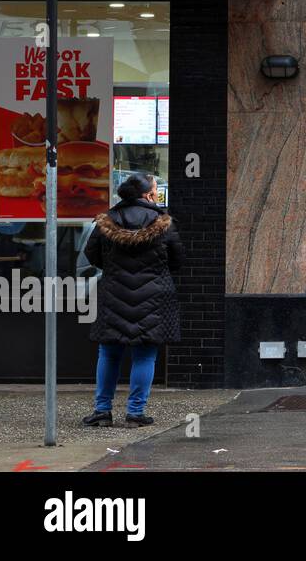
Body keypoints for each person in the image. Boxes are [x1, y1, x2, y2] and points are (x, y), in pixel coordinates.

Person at [81, 174, 183, 428]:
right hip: (154, 296)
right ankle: (135, 413)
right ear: (147, 194)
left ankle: (102, 411)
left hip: (114, 293)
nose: (157, 194)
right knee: (144, 355)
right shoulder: (163, 223)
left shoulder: (107, 221)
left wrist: (115, 268)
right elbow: (177, 260)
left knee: (109, 353)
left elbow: (91, 254)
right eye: (156, 189)